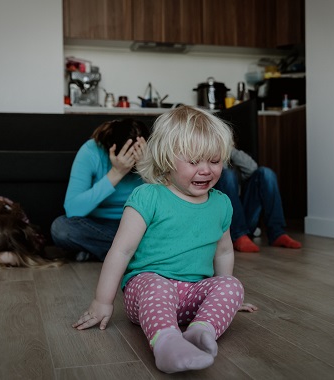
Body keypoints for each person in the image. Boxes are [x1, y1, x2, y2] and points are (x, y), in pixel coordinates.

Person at [73, 106, 257, 374]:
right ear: (167, 158)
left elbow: (224, 251)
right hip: (148, 290)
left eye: (215, 161)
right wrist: (103, 301)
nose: (206, 170)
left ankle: (201, 330)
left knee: (232, 285)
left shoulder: (222, 204)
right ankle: (167, 343)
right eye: (194, 162)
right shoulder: (147, 196)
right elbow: (121, 252)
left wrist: (223, 296)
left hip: (193, 294)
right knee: (156, 285)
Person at [50, 118, 150, 262]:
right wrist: (116, 173)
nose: (131, 161)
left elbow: (167, 206)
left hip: (137, 225)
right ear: (112, 148)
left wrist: (145, 169)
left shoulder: (150, 153)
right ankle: (131, 254)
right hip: (98, 226)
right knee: (60, 228)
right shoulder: (91, 150)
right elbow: (72, 209)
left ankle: (100, 252)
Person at [214, 148, 301, 253]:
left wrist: (229, 150)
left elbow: (253, 168)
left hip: (246, 215)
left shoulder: (233, 157)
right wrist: (217, 154)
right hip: (226, 224)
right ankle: (239, 235)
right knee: (227, 175)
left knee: (266, 173)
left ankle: (277, 233)